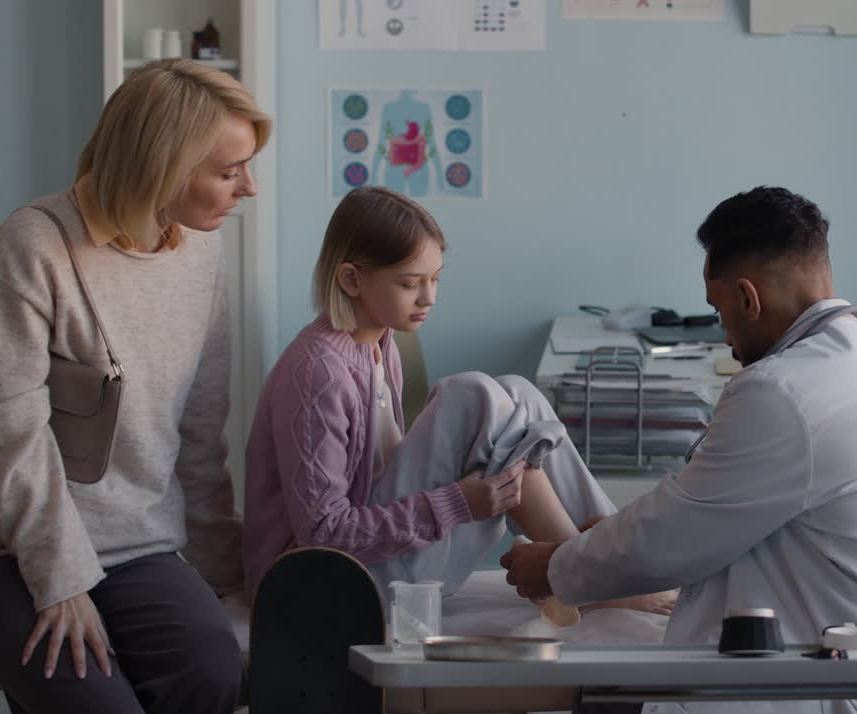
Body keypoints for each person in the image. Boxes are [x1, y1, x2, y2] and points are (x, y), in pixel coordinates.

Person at [502, 186, 857, 714]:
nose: (724, 335)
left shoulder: (785, 391)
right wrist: (607, 548)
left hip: (845, 690)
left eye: (720, 311)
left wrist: (556, 567)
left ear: (749, 298)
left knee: (584, 699)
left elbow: (675, 538)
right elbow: (708, 519)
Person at [0, 59, 270, 714]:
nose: (249, 188)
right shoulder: (33, 246)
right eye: (229, 172)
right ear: (164, 169)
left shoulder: (201, 253)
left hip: (136, 549)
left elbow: (201, 435)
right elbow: (6, 434)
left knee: (212, 671)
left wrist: (229, 581)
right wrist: (59, 583)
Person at [242, 186, 672, 618]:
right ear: (351, 279)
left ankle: (615, 565)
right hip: (324, 587)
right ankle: (589, 578)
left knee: (518, 392)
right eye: (410, 283)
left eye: (435, 279)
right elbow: (324, 535)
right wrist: (456, 502)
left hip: (375, 563)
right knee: (473, 396)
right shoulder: (320, 372)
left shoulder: (379, 344)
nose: (429, 298)